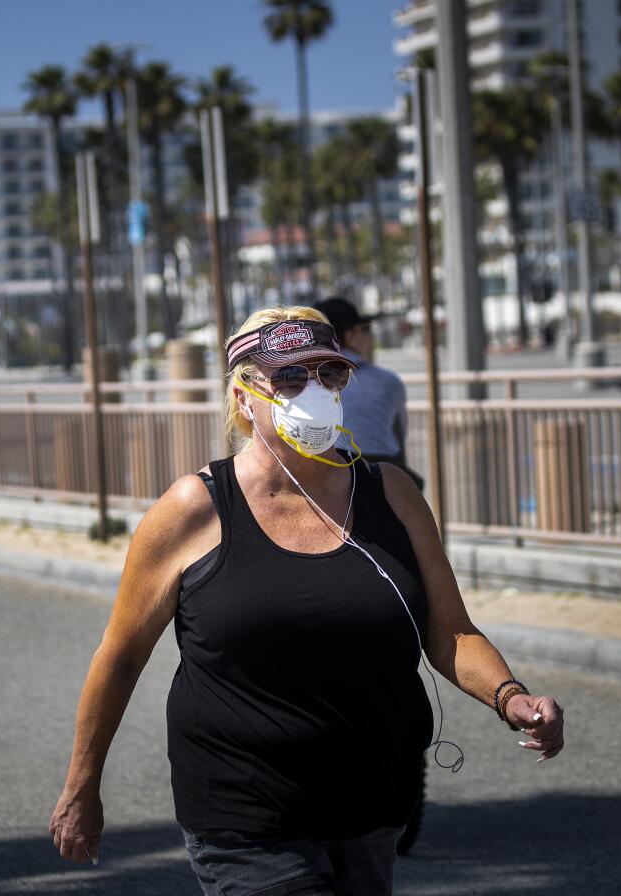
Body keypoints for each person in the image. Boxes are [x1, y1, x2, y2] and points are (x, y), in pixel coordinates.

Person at [50, 305, 565, 895]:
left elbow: (450, 631)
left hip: (371, 803)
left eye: (330, 375)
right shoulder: (192, 510)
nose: (314, 393)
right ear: (244, 398)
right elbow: (120, 655)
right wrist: (81, 784)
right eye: (290, 379)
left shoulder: (390, 494)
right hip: (245, 815)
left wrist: (510, 697)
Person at [315, 296, 419, 485]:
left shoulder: (308, 383)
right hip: (383, 473)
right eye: (365, 330)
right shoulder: (388, 381)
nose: (368, 337)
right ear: (350, 336)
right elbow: (398, 439)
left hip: (330, 478)